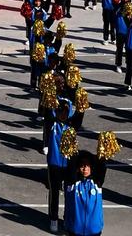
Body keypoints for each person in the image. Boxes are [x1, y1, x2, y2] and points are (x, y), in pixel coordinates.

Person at [46, 98, 74, 233]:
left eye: (65, 112)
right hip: (54, 163)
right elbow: (48, 108)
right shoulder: (52, 123)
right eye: (59, 111)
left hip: (69, 164)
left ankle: (67, 218)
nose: (62, 114)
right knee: (54, 192)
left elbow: (79, 114)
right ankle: (53, 218)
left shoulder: (72, 125)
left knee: (69, 193)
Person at [64, 151, 107, 236]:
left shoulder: (96, 183)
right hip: (75, 230)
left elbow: (102, 167)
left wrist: (103, 150)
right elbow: (71, 167)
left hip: (94, 229)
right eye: (82, 165)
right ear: (77, 167)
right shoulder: (73, 183)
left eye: (88, 165)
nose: (85, 168)